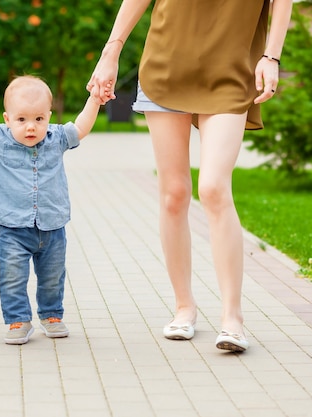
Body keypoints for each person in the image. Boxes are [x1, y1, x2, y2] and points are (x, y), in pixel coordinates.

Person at [88, 0, 293, 352]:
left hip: (231, 70)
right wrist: (111, 51)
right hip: (166, 65)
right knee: (174, 194)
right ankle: (184, 307)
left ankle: (233, 318)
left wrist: (272, 56)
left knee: (213, 187)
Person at [0, 74, 102, 344]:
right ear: (7, 119)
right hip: (13, 229)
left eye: (39, 119)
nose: (31, 127)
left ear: (48, 116)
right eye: (21, 120)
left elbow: (81, 127)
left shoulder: (56, 138)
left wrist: (94, 100)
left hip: (52, 226)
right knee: (11, 277)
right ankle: (18, 320)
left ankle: (51, 314)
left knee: (53, 276)